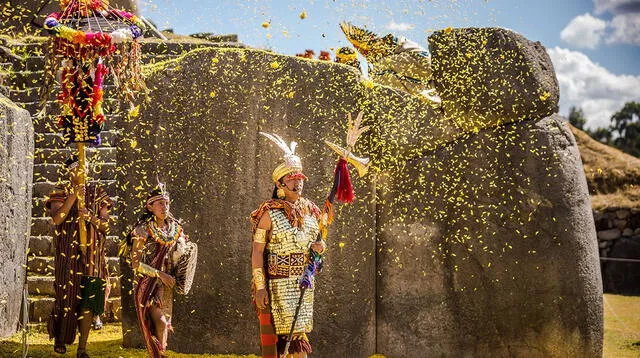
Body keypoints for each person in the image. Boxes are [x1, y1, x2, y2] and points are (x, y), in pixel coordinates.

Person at [250, 133, 327, 358]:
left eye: (300, 177)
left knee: (299, 338)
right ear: (280, 184)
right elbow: (257, 251)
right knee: (280, 343)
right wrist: (260, 287)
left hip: (303, 282)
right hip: (277, 285)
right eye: (292, 178)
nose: (297, 182)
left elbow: (317, 246)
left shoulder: (312, 211)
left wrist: (320, 250)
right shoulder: (269, 213)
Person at [45, 156, 112, 357]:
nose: (81, 173)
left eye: (85, 168)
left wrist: (90, 217)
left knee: (88, 301)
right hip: (68, 253)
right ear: (70, 172)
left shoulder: (99, 193)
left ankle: (82, 348)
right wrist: (73, 197)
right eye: (77, 169)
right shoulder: (60, 192)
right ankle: (61, 337)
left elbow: (106, 226)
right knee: (66, 296)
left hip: (93, 255)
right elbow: (57, 219)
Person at [128, 184, 192, 357]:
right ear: (150, 206)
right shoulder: (143, 230)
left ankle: (159, 354)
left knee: (164, 327)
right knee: (161, 323)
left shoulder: (175, 229)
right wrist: (159, 274)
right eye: (160, 204)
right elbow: (135, 264)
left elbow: (184, 255)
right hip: (148, 285)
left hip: (167, 285)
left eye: (166, 203)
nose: (164, 207)